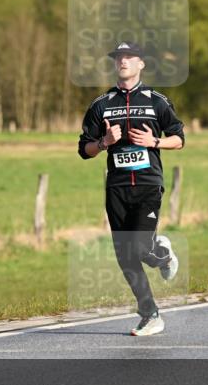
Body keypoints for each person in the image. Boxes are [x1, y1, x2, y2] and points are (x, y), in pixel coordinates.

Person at [77, 41, 186, 336]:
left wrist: (154, 142)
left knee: (138, 247)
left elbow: (179, 138)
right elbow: (83, 149)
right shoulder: (101, 104)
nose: (123, 61)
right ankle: (150, 315)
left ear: (141, 64)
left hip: (148, 184)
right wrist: (104, 143)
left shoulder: (157, 101)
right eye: (118, 57)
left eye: (129, 56)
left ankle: (162, 253)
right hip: (117, 188)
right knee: (125, 255)